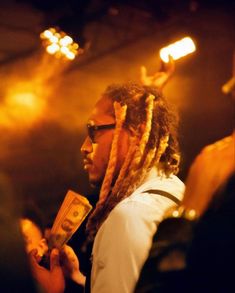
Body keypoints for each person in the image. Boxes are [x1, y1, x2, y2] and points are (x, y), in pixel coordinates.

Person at [30, 60, 185, 293]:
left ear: (136, 133)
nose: (84, 147)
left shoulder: (129, 216)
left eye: (93, 131)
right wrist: (79, 280)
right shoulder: (178, 192)